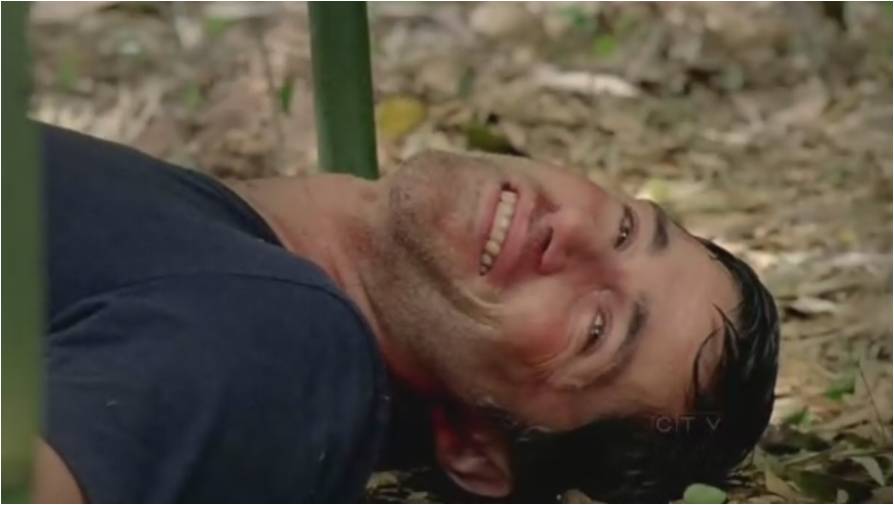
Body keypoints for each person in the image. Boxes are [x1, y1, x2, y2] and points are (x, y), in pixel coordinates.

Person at [34, 123, 779, 503]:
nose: (572, 234)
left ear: (477, 449)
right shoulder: (223, 246)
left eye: (597, 329)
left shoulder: (293, 351)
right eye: (624, 227)